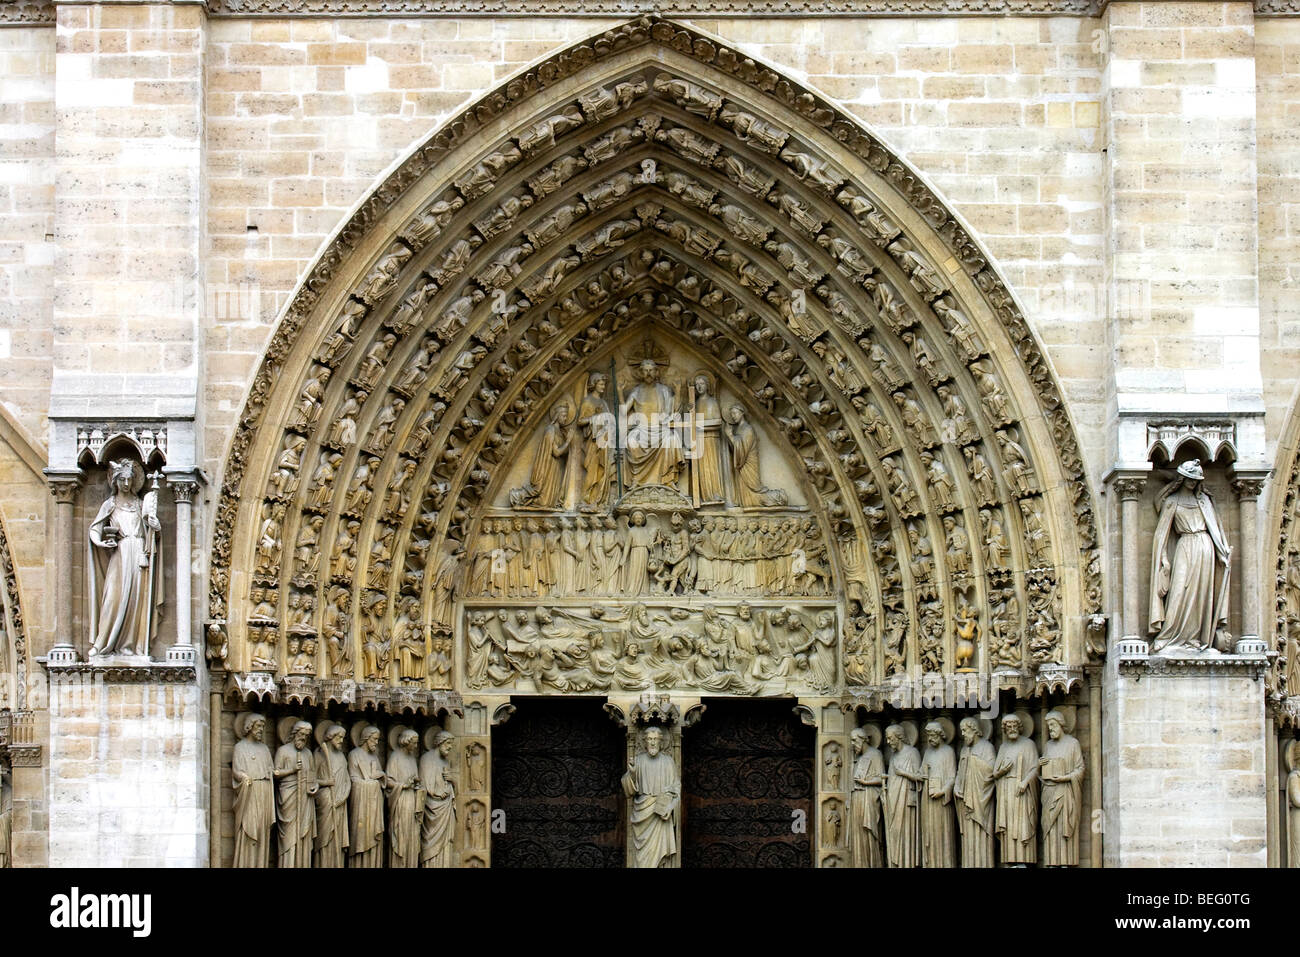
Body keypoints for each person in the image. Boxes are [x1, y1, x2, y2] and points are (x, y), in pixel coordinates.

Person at [1148, 459, 1232, 653]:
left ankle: (1195, 638)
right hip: (1185, 547)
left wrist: (1222, 553)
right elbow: (1162, 534)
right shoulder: (1172, 501)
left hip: (1206, 548)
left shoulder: (1204, 501)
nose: (1193, 482)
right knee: (1179, 592)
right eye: (1189, 478)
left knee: (1201, 595)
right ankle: (1169, 635)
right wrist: (1164, 560)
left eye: (1196, 479)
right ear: (1182, 478)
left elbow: (1215, 529)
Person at [88, 458, 163, 656]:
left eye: (130, 479)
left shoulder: (140, 504)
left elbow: (151, 533)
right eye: (122, 480)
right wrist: (101, 543)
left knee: (136, 599)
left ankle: (130, 645)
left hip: (139, 553)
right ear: (115, 481)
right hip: (120, 553)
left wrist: (155, 527)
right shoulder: (110, 504)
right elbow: (95, 529)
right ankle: (102, 642)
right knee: (113, 596)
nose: (127, 484)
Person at [621, 726, 680, 867]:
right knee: (641, 857)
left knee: (660, 855)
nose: (653, 742)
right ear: (645, 741)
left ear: (661, 741)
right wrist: (633, 773)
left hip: (661, 813)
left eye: (655, 739)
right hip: (642, 812)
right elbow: (629, 791)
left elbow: (676, 788)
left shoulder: (668, 762)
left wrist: (670, 807)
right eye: (649, 739)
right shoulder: (638, 760)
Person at [1040, 710, 1086, 867]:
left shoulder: (1073, 744)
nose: (1050, 729)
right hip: (1049, 791)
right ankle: (1052, 862)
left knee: (1065, 826)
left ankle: (1066, 862)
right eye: (1048, 726)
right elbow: (1043, 771)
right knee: (1051, 827)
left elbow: (1080, 769)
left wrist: (1065, 778)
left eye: (1052, 725)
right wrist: (1042, 765)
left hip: (1066, 792)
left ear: (1061, 725)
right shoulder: (1048, 745)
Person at [992, 713, 1038, 865]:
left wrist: (1025, 782)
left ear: (1019, 727)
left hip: (1023, 790)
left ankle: (1023, 860)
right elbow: (994, 773)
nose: (1012, 729)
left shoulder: (1028, 744)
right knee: (1010, 826)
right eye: (1008, 727)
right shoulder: (1004, 747)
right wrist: (1002, 771)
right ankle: (1010, 860)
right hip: (1006, 790)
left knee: (1022, 824)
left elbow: (1035, 768)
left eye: (1014, 726)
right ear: (1005, 730)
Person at [231, 713, 274, 868]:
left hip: (265, 792)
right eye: (258, 726)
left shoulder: (264, 749)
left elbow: (271, 770)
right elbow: (236, 770)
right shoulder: (240, 747)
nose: (261, 729)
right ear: (249, 726)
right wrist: (244, 777)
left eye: (263, 726)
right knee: (249, 829)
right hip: (249, 792)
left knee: (262, 831)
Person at [954, 717, 996, 868]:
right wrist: (957, 786)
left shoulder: (987, 747)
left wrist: (974, 762)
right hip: (965, 800)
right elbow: (960, 771)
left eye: (965, 730)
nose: (963, 734)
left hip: (981, 799)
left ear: (975, 730)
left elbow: (992, 771)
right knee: (968, 837)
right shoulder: (965, 750)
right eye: (962, 731)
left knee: (982, 835)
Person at [918, 721, 956, 868]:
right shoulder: (927, 752)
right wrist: (922, 774)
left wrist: (943, 791)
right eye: (928, 736)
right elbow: (921, 773)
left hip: (941, 800)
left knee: (942, 832)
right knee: (929, 831)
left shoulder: (948, 751)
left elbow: (952, 777)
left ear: (940, 735)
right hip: (927, 799)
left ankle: (945, 864)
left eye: (933, 735)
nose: (930, 739)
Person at [883, 723, 921, 868]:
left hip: (906, 800)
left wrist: (903, 773)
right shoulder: (893, 756)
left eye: (890, 738)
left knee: (905, 832)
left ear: (898, 737)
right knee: (894, 832)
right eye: (886, 738)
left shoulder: (912, 753)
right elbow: (893, 778)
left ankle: (908, 863)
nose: (888, 742)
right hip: (893, 798)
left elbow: (920, 777)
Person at [347, 724, 386, 868]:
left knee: (374, 837)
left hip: (375, 804)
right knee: (360, 836)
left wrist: (380, 777)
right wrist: (371, 783)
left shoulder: (375, 757)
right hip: (361, 804)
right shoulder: (354, 754)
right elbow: (353, 779)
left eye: (378, 740)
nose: (376, 742)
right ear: (366, 738)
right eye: (374, 739)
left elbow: (381, 779)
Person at [313, 723, 351, 869]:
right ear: (331, 737)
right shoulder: (319, 754)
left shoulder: (341, 756)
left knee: (338, 838)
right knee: (324, 838)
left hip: (340, 803)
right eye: (339, 737)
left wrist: (343, 797)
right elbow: (311, 781)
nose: (341, 741)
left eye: (343, 738)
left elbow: (347, 780)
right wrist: (325, 782)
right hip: (325, 801)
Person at [420, 730, 457, 868]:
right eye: (448, 743)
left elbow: (450, 786)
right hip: (432, 808)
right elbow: (424, 784)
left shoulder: (446, 762)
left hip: (445, 807)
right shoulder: (426, 759)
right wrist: (436, 793)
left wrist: (453, 781)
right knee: (430, 843)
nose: (450, 747)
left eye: (451, 744)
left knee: (446, 842)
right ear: (439, 742)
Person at [848, 727, 884, 868]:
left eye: (854, 740)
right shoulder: (858, 758)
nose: (852, 743)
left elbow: (882, 778)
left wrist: (866, 782)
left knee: (868, 832)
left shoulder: (875, 754)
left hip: (869, 798)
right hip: (857, 797)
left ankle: (872, 863)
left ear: (863, 740)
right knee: (857, 833)